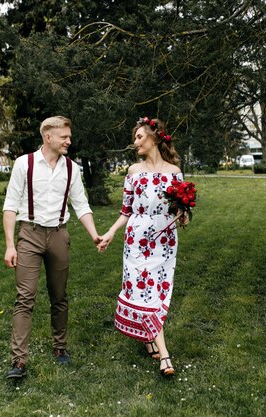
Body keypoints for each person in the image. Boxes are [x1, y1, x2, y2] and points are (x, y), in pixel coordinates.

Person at [2, 115, 101, 379]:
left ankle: (60, 348)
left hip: (59, 235)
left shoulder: (72, 169)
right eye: (64, 137)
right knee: (25, 297)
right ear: (48, 137)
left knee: (59, 295)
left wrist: (94, 235)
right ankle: (18, 361)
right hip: (29, 235)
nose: (69, 141)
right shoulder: (24, 164)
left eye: (69, 136)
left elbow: (81, 205)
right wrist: (10, 245)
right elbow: (10, 205)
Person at [98, 116, 187, 378]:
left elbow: (180, 209)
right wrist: (111, 232)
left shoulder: (174, 172)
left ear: (155, 138)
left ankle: (149, 337)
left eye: (139, 137)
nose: (134, 141)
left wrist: (184, 214)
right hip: (137, 241)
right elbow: (126, 211)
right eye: (135, 137)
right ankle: (165, 355)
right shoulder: (133, 172)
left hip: (165, 241)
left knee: (158, 292)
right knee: (145, 291)